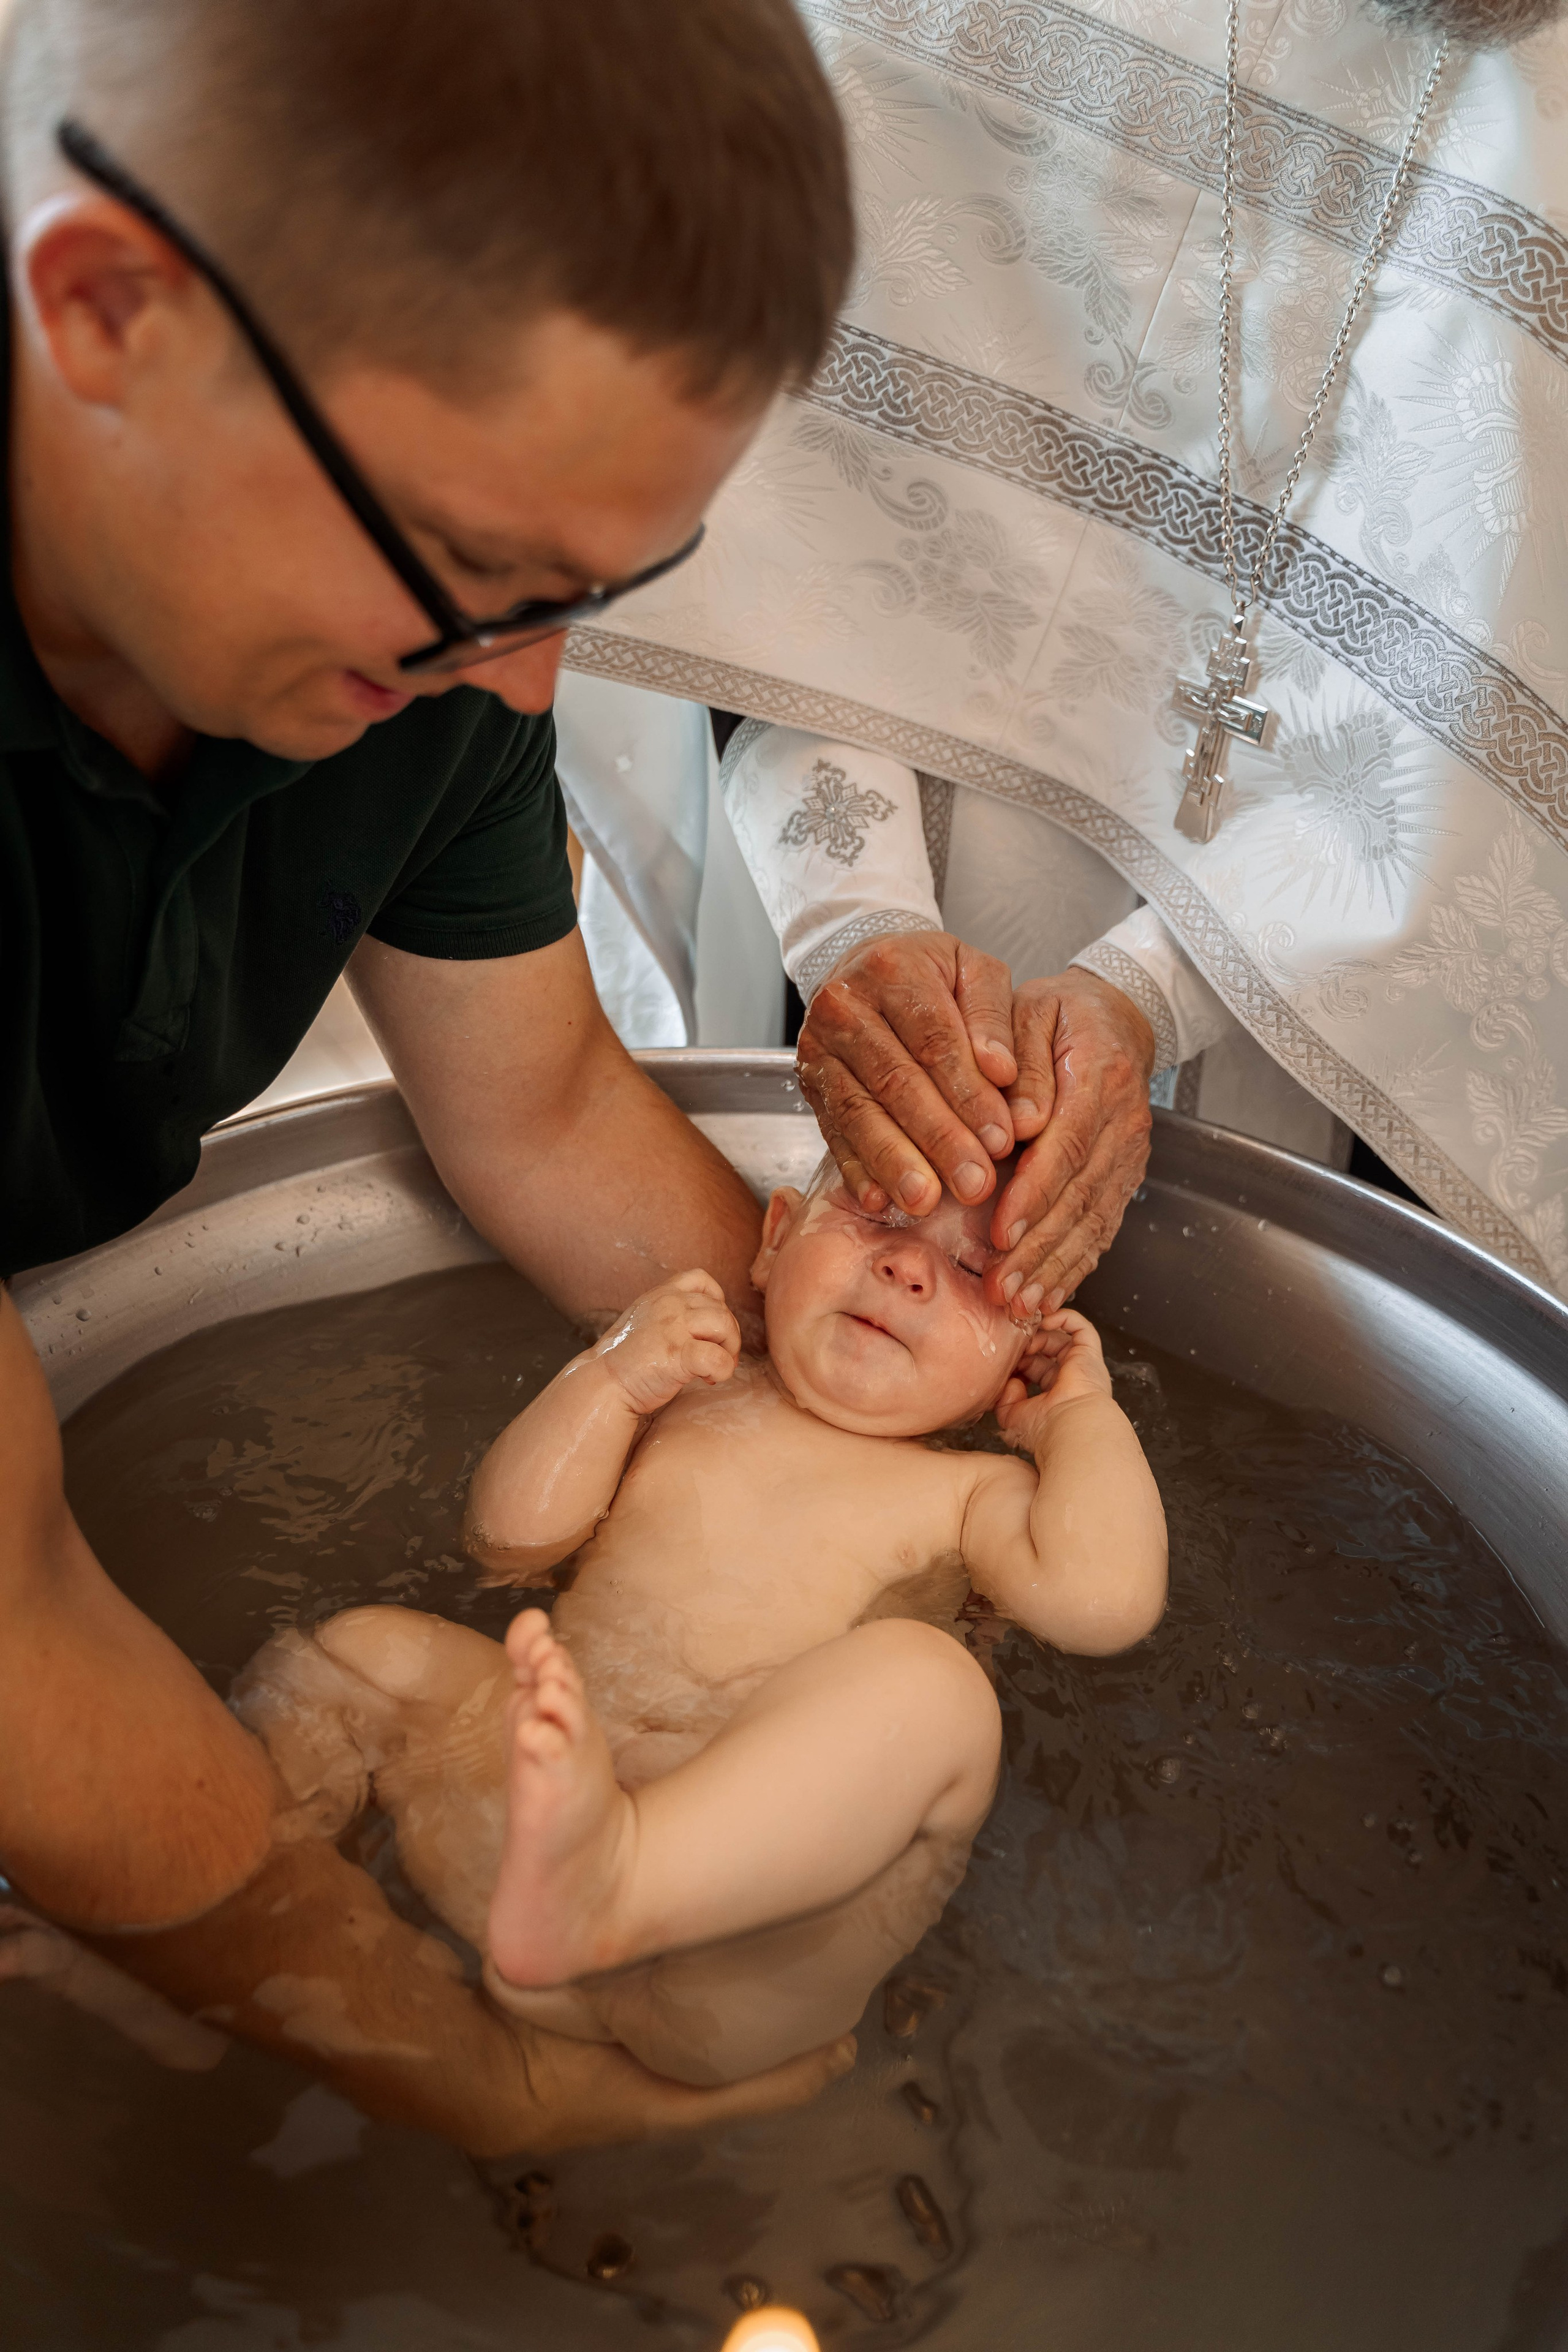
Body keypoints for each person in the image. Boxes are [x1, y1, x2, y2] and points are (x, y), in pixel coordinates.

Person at [0, 0, 856, 2152]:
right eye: (478, 570)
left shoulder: (414, 669)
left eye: (598, 587)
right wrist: (488, 2079)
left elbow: (541, 1111)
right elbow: (13, 1614)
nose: (530, 683)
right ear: (108, 315)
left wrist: (849, 1482)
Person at [562, 0, 1568, 1311]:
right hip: (869, 796)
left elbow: (1487, 683)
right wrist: (853, 911)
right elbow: (776, 514)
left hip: (1318, 1009)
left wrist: (1152, 993)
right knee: (801, 1285)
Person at [229, 1161, 1167, 2087]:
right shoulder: (688, 1388)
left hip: (746, 1952)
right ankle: (255, 1896)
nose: (907, 1267)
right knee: (358, 1652)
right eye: (879, 1214)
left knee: (937, 1687)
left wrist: (1077, 1418)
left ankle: (625, 1880)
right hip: (525, 1839)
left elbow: (1103, 1605)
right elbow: (508, 1543)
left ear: (1022, 1352)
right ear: (775, 1238)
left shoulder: (974, 1494)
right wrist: (608, 1380)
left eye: (972, 1269)